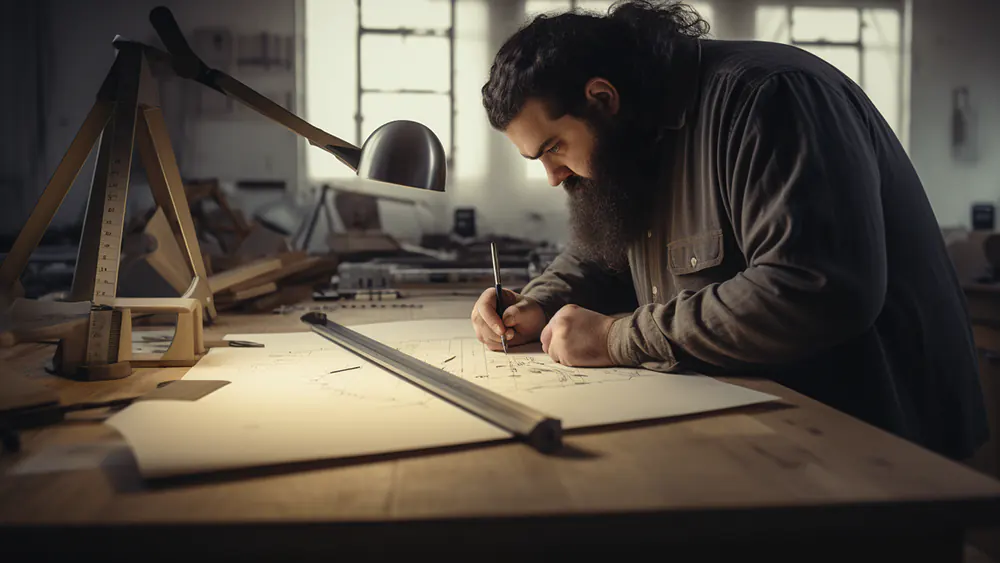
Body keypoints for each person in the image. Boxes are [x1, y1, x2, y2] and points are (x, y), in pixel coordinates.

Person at [470, 0, 987, 460]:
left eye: (553, 148)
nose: (554, 175)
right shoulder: (634, 136)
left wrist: (618, 337)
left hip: (875, 436)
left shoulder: (770, 98)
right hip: (768, 429)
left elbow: (809, 289)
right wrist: (536, 304)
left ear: (602, 98)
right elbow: (598, 257)